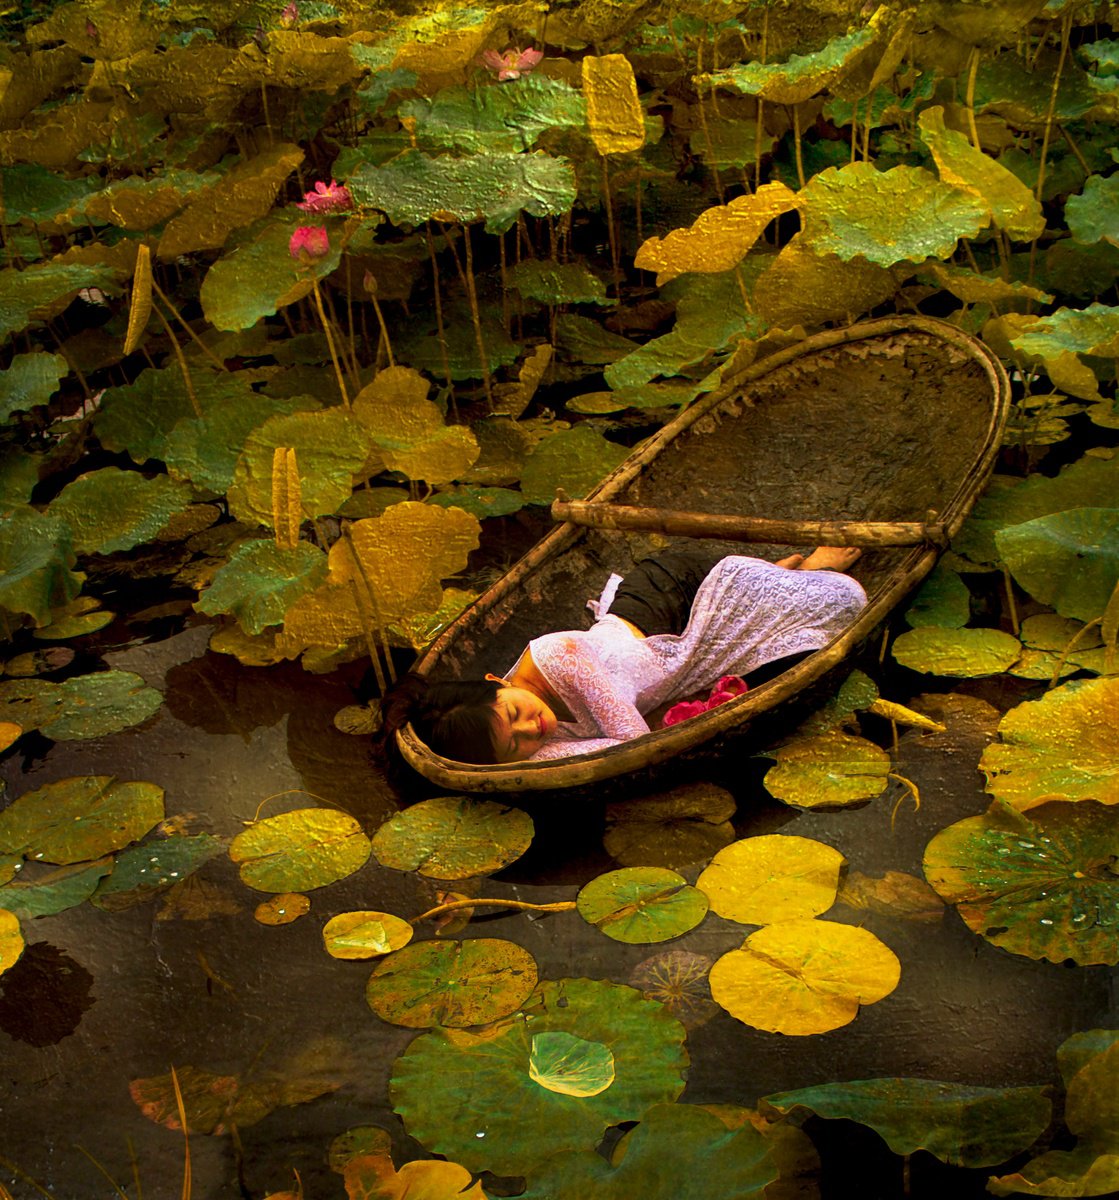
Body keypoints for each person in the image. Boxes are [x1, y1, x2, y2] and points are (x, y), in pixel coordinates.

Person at [382, 544, 866, 766]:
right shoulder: (522, 740)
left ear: (497, 681)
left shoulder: (560, 655)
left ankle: (799, 568)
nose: (535, 729)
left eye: (516, 713)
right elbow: (590, 748)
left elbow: (634, 744)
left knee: (837, 601)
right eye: (516, 744)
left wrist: (527, 756)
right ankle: (779, 575)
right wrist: (524, 759)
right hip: (660, 642)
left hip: (675, 597)